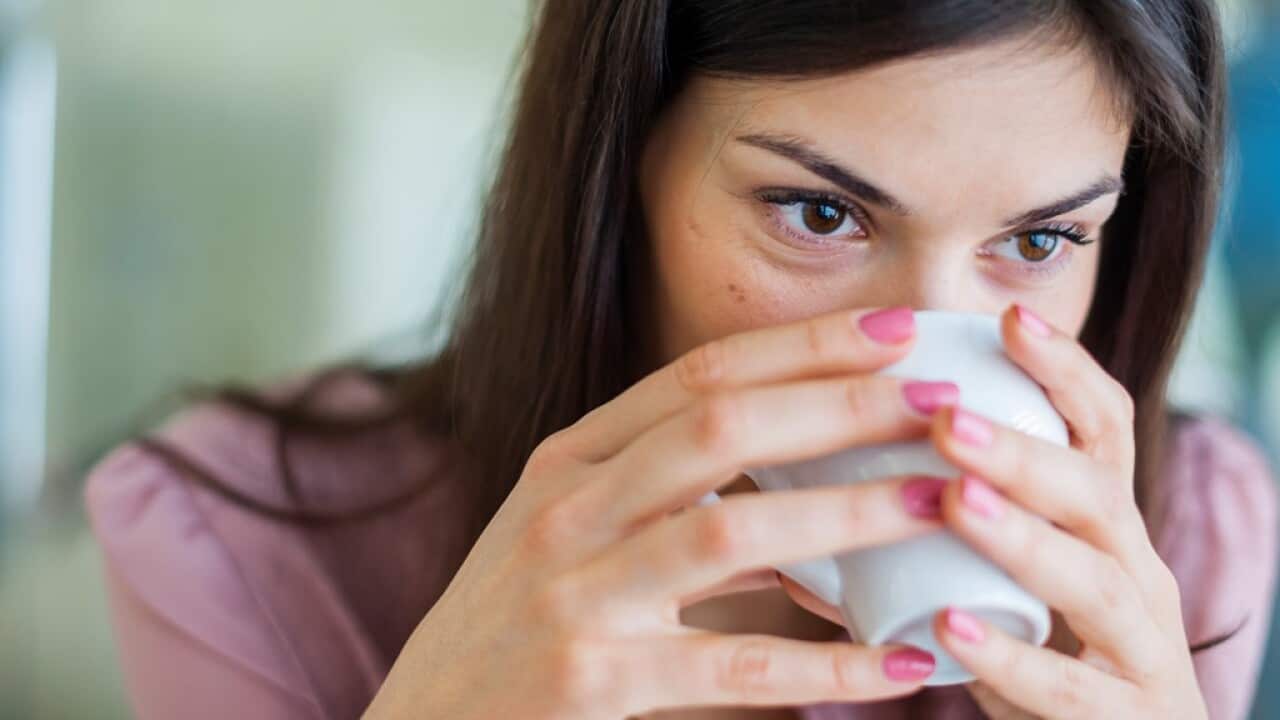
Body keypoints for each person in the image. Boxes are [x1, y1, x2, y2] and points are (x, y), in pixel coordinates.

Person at [84, 2, 1278, 718]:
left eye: (1037, 238)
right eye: (819, 214)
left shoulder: (1184, 532)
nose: (917, 357)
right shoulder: (244, 545)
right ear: (621, 172)